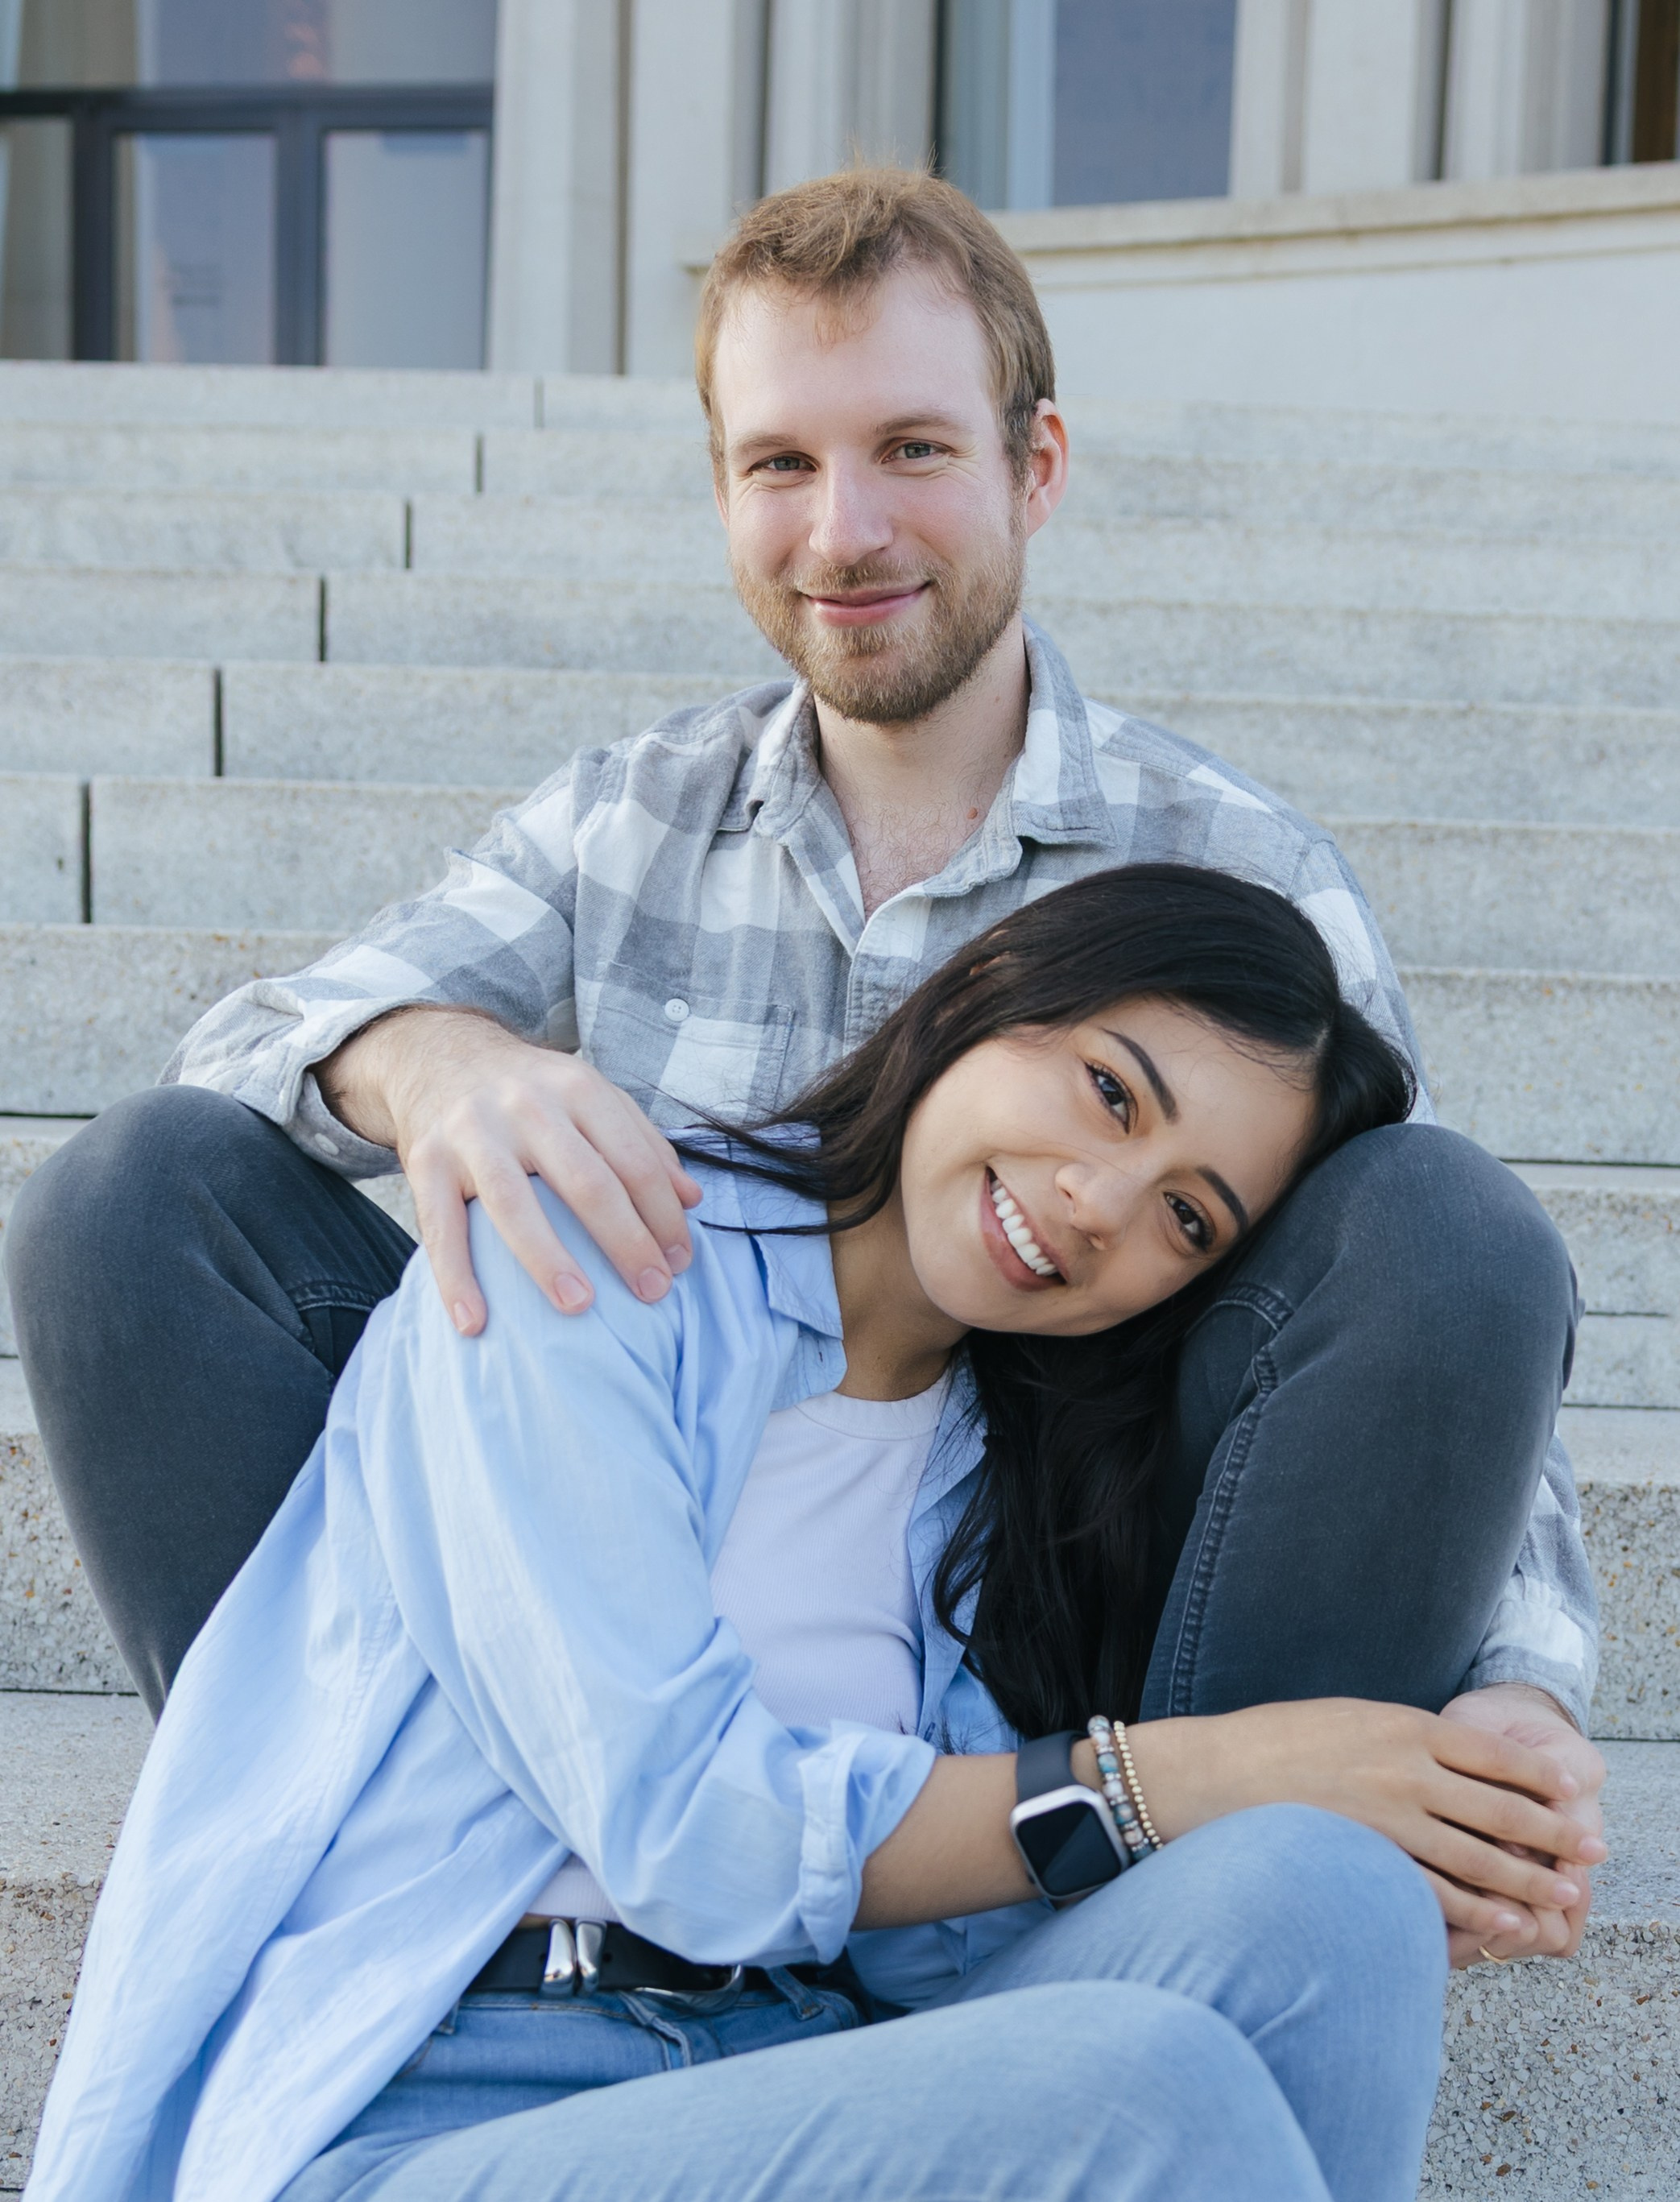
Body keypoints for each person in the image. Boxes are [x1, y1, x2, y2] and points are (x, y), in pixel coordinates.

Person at [5, 167, 1603, 1970]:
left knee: (1451, 1217)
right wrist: (433, 1059)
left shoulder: (1234, 871)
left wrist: (1517, 1681)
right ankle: (409, 1882)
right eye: (781, 463)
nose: (844, 528)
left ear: (1036, 466)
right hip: (619, 1574)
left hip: (1039, 1603)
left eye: (912, 447)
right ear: (721, 491)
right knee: (127, 1201)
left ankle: (1183, 1924)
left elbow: (1443, 1325)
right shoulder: (626, 819)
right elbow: (247, 1048)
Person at [25, 869, 1597, 2202]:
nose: (1097, 1199)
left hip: (786, 2077)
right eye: (1109, 1092)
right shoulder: (590, 1234)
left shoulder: (1002, 1472)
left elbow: (932, 1959)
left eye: (1187, 1216)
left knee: (1337, 1896)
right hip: (436, 2105)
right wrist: (1187, 1770)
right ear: (987, 992)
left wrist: (1404, 1783)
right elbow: (683, 1826)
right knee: (1139, 2084)